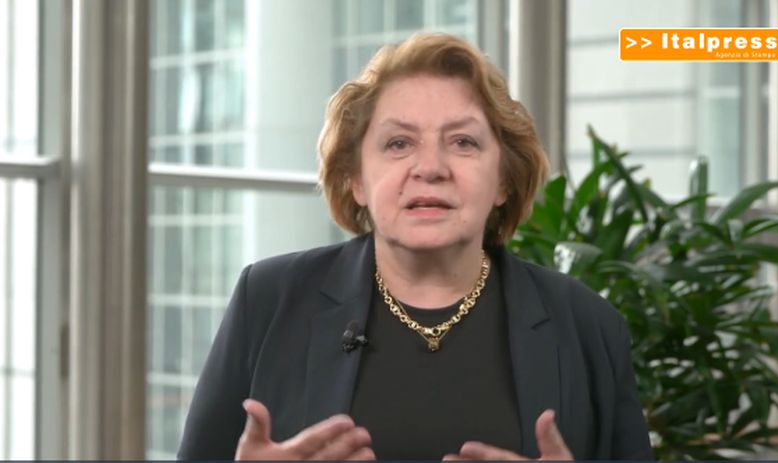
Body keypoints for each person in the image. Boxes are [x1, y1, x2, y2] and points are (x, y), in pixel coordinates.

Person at [177, 32, 653, 461]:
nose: (430, 167)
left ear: (504, 180)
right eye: (399, 144)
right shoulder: (267, 299)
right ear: (356, 179)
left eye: (463, 142)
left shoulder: (589, 325)